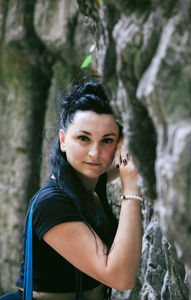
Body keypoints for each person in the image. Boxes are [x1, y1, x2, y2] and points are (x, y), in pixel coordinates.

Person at [0, 80, 142, 300]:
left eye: (107, 140)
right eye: (83, 138)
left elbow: (135, 155)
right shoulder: (52, 204)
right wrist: (131, 190)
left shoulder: (92, 180)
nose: (94, 153)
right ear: (63, 140)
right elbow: (120, 278)